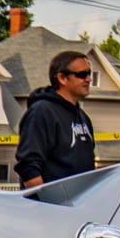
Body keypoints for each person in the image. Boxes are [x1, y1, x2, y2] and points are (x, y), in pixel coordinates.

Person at [16, 50, 97, 187]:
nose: (88, 79)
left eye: (89, 74)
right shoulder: (41, 112)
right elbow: (28, 165)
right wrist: (43, 201)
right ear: (62, 78)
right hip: (50, 204)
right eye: (82, 74)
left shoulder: (83, 117)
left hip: (79, 203)